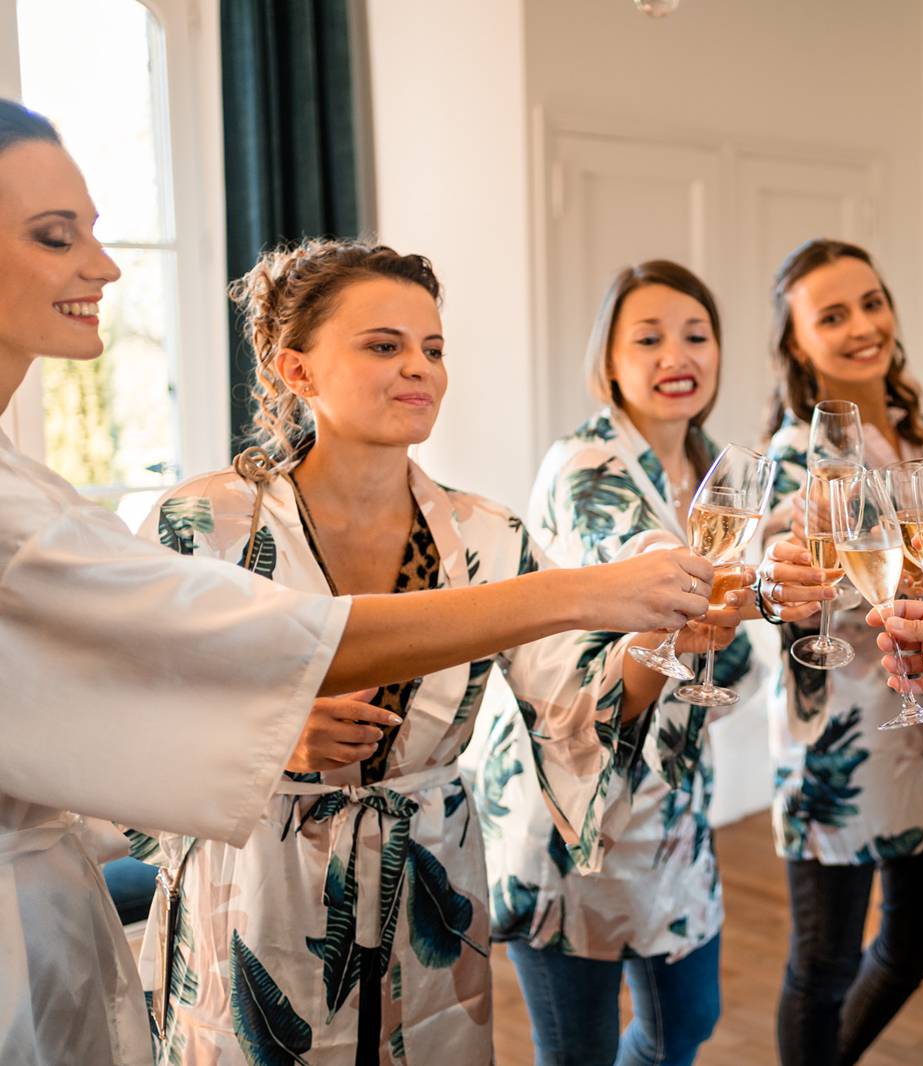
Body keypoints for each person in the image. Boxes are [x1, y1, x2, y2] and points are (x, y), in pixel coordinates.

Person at [0, 100, 709, 1066]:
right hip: (257, 905)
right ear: (296, 367)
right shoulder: (201, 522)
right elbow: (117, 722)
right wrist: (273, 734)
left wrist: (659, 648)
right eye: (383, 346)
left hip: (432, 897)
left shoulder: (489, 536)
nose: (418, 367)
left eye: (432, 347)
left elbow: (572, 715)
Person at [473, 260, 822, 1066]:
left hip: (671, 808)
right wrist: (767, 573)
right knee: (578, 1053)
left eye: (696, 336)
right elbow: (656, 564)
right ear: (610, 361)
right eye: (650, 338)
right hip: (573, 796)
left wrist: (775, 538)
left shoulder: (707, 467)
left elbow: (719, 568)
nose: (678, 356)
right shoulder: (583, 464)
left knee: (685, 1023)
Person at [761, 238, 923, 1066]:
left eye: (871, 303)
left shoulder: (914, 431)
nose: (862, 327)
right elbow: (768, 577)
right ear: (798, 345)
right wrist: (780, 556)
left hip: (920, 731)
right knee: (825, 962)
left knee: (919, 942)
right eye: (832, 316)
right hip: (834, 745)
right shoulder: (792, 459)